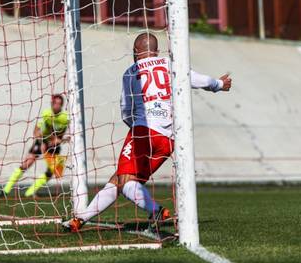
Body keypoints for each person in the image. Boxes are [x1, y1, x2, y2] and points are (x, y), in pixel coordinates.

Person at [62, 33, 232, 232]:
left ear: (136, 52)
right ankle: (79, 220)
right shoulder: (170, 63)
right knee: (120, 180)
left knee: (125, 182)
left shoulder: (130, 71)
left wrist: (135, 128)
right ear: (156, 50)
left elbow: (126, 109)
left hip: (143, 131)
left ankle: (156, 211)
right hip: (168, 139)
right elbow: (199, 80)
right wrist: (219, 85)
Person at [3, 94, 69, 197]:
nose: (56, 106)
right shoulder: (46, 114)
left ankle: (29, 193)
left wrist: (59, 140)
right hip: (42, 141)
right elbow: (36, 131)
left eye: (59, 104)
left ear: (62, 105)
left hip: (52, 145)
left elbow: (60, 136)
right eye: (55, 103)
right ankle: (5, 190)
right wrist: (42, 141)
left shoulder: (65, 118)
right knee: (27, 163)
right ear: (51, 104)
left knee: (52, 171)